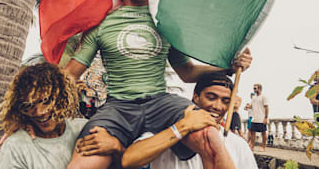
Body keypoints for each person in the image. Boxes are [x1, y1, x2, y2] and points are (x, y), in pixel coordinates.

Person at [65, 0, 252, 168]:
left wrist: (230, 67)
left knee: (211, 139)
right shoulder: (101, 25)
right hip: (118, 107)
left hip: (161, 103)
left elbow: (187, 72)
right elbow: (69, 75)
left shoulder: (165, 23)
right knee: (82, 162)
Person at [77, 72, 257, 169]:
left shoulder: (238, 145)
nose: (218, 106)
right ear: (195, 97)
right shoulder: (165, 131)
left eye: (226, 101)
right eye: (211, 97)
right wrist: (182, 127)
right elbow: (129, 160)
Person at [0, 63, 87, 168]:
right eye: (29, 105)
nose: (39, 112)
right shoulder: (15, 146)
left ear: (60, 97)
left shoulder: (83, 129)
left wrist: (111, 145)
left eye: (46, 101)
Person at [249, 83, 269, 152]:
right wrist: (247, 107)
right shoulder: (254, 97)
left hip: (262, 118)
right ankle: (252, 146)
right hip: (254, 118)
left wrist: (266, 117)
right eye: (253, 88)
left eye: (255, 88)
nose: (254, 89)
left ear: (259, 89)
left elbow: (266, 107)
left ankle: (263, 147)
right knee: (252, 132)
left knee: (263, 132)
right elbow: (251, 106)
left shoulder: (263, 97)